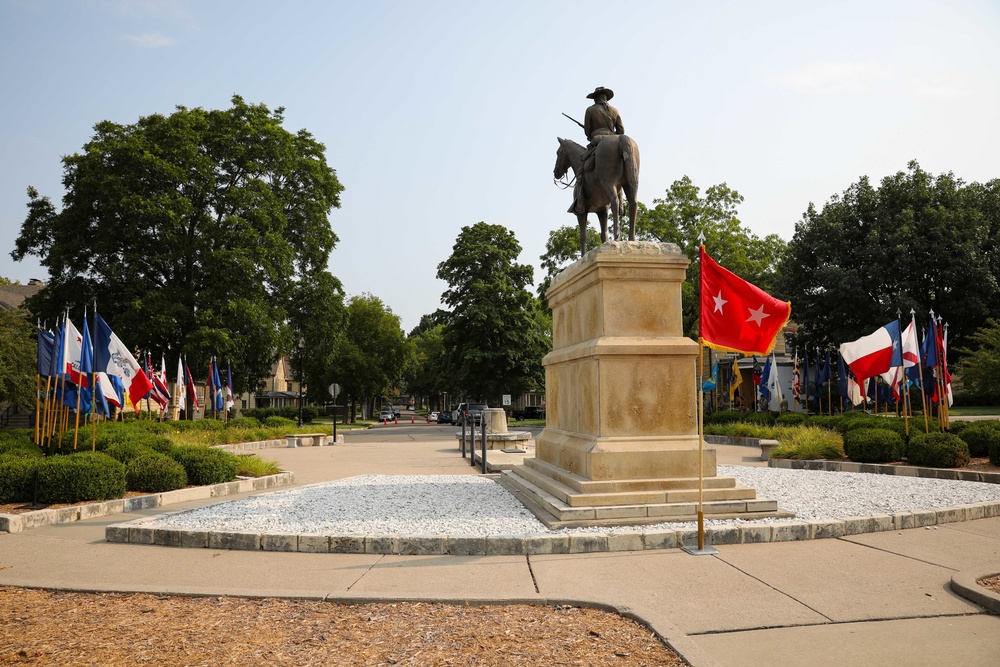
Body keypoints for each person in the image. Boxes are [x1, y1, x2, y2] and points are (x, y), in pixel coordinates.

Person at [570, 86, 625, 216]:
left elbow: (587, 132)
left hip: (598, 140)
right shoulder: (615, 110)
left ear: (595, 98)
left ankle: (580, 202)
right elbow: (621, 131)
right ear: (605, 98)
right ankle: (621, 203)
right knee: (619, 176)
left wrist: (595, 133)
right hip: (614, 139)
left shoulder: (590, 110)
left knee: (581, 168)